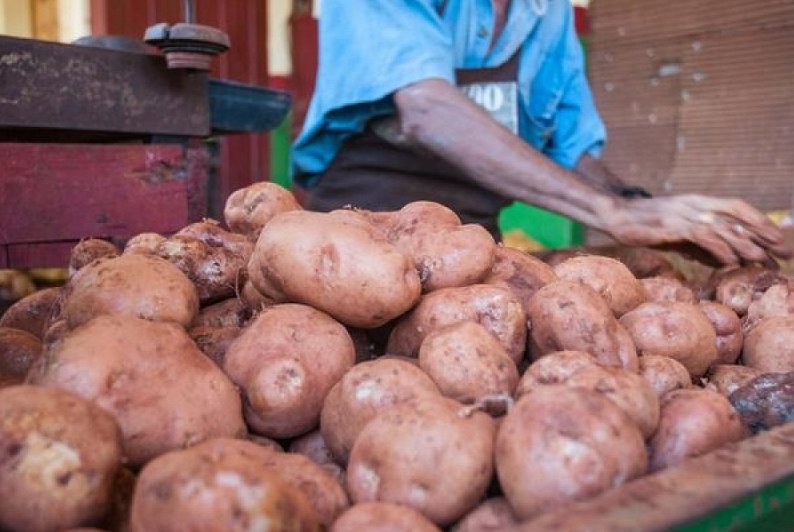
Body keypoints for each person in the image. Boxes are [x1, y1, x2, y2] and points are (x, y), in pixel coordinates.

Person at [292, 0, 789, 265]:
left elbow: (571, 150)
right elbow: (425, 107)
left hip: (473, 254)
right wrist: (610, 212)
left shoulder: (545, 10)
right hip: (356, 249)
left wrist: (659, 212)